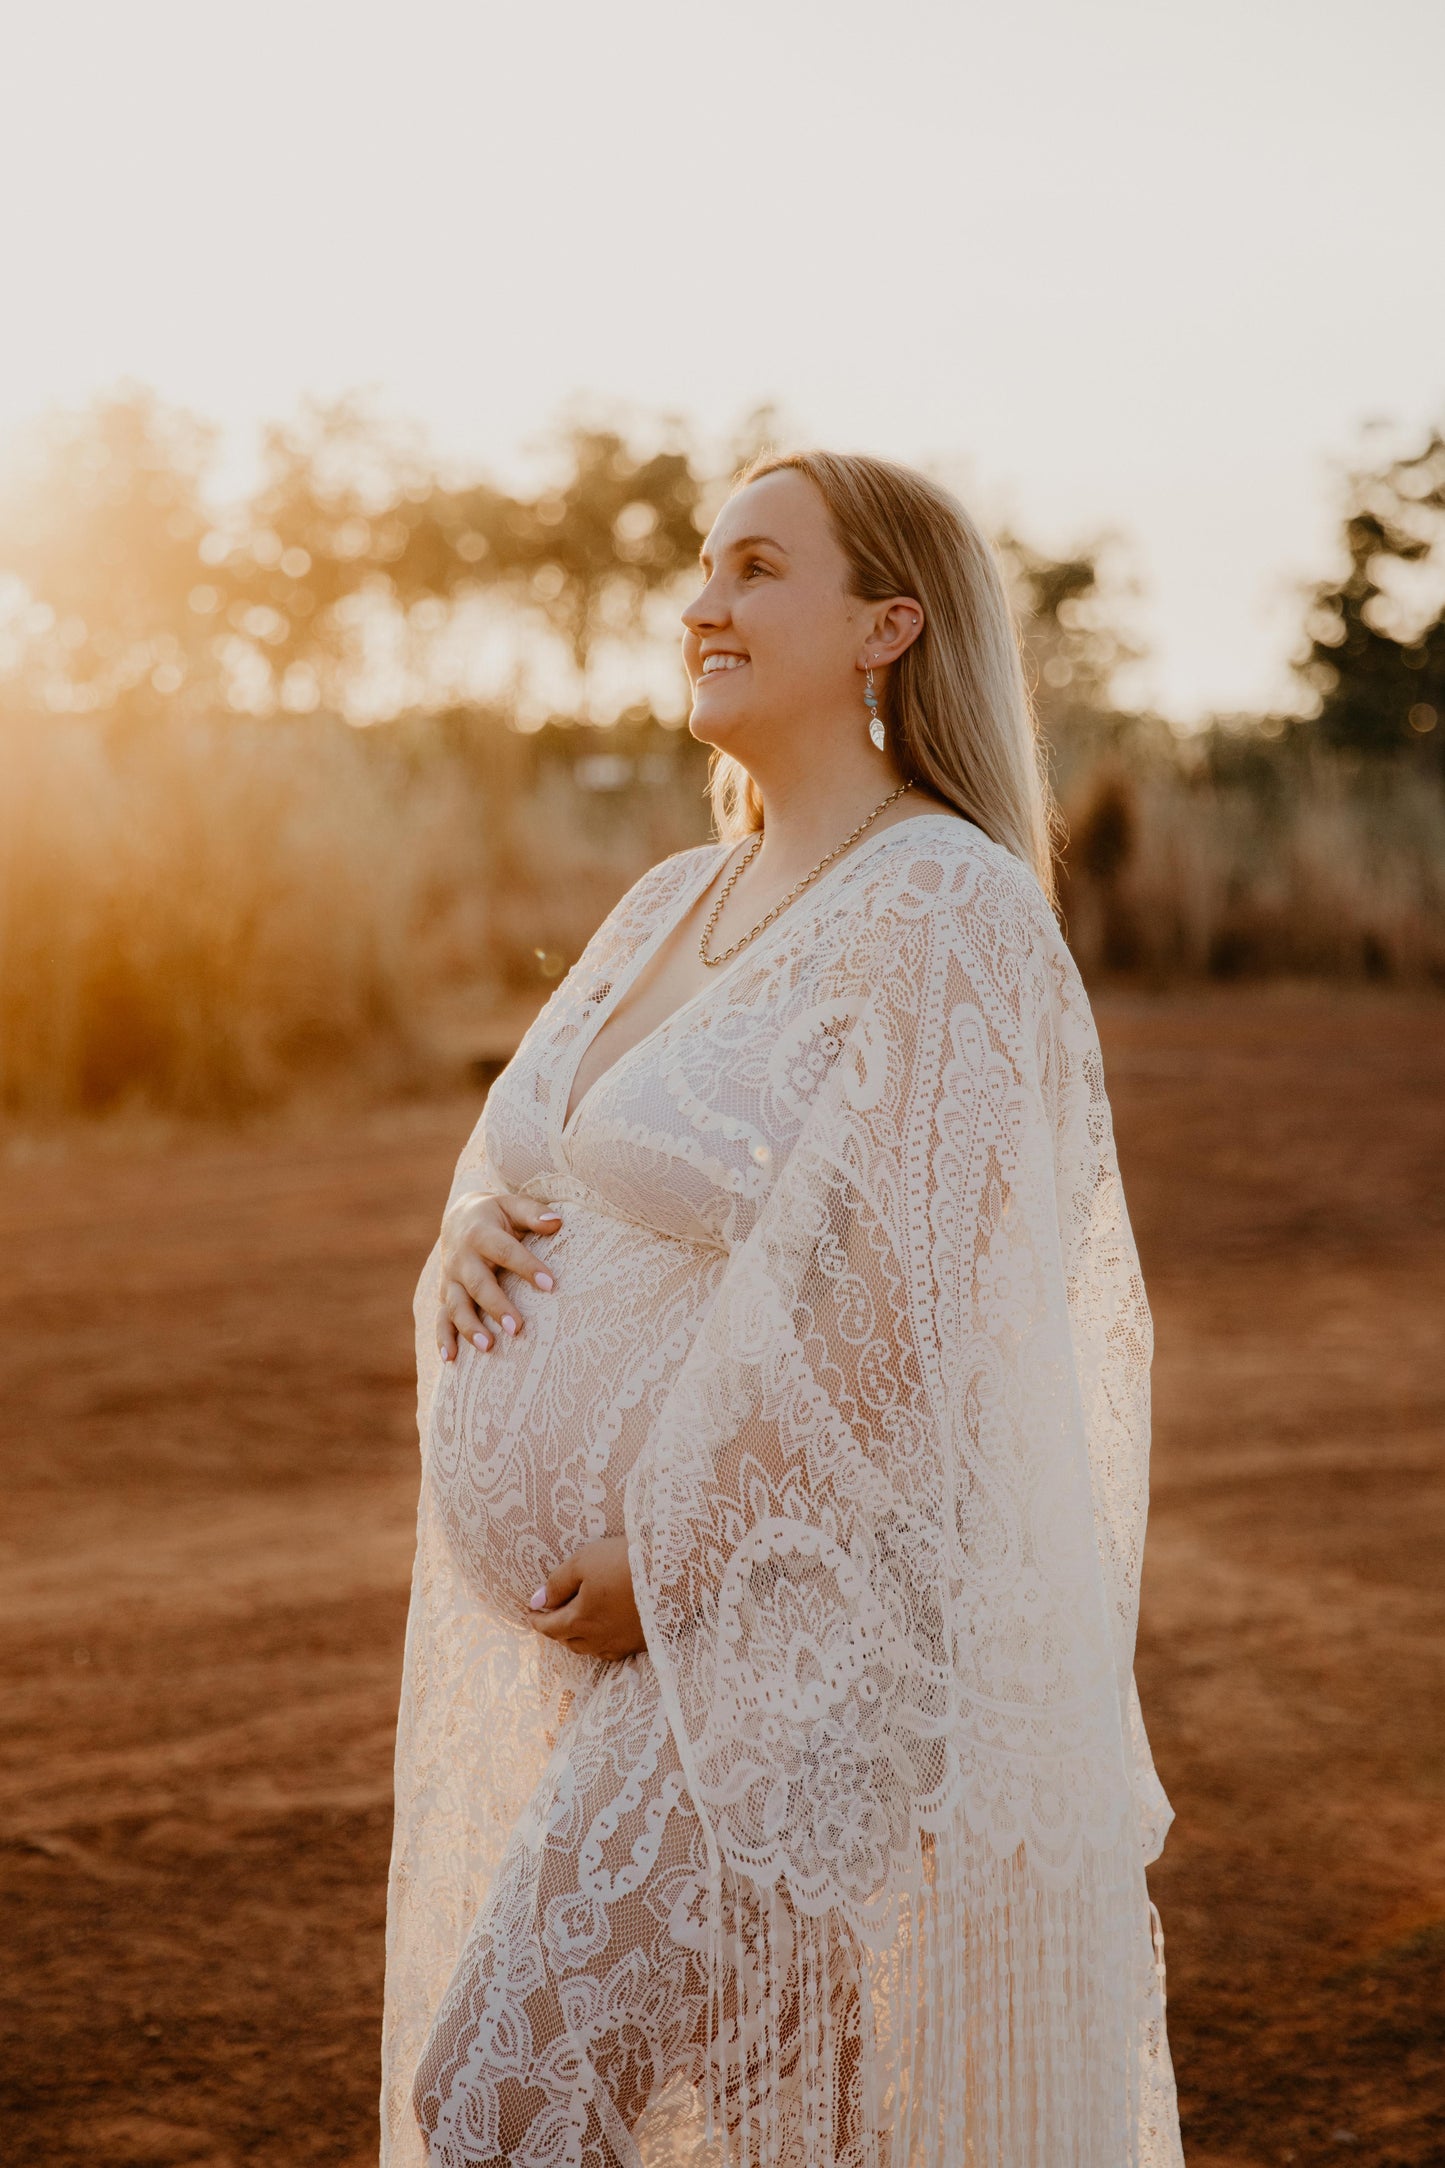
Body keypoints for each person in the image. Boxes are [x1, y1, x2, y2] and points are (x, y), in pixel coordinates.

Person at [381, 451, 1184, 2168]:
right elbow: (532, 1155)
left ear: (886, 626)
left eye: (754, 568)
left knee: (495, 2106)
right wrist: (457, 1243)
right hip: (643, 1643)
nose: (701, 603)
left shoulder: (951, 907)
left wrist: (677, 1559)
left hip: (799, 1628)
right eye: (700, 568)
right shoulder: (674, 896)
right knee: (781, 2133)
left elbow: (916, 1308)